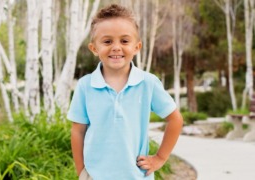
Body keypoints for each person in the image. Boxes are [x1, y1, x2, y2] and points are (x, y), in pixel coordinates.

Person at [67, 4, 183, 180]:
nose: (116, 47)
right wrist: (81, 171)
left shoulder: (148, 83)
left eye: (124, 41)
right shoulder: (85, 86)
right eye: (107, 41)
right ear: (94, 48)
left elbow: (175, 119)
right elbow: (78, 131)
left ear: (137, 47)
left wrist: (160, 158)